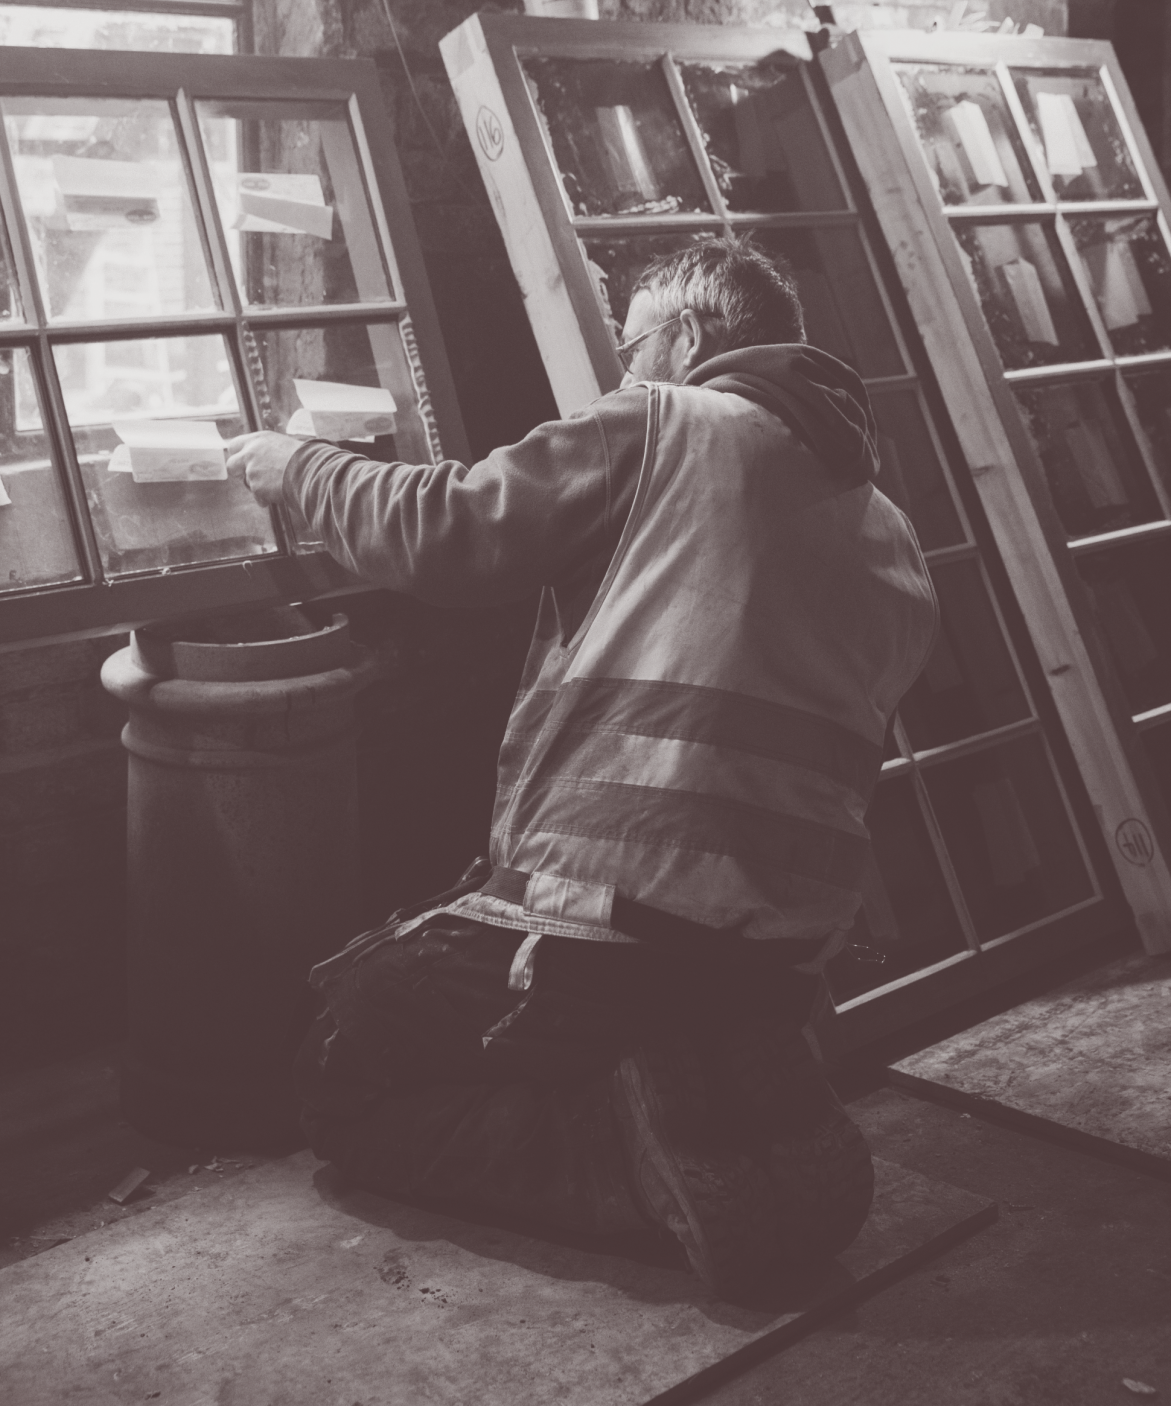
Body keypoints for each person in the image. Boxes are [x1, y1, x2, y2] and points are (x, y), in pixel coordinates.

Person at [225, 238, 938, 1298]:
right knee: (511, 980)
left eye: (633, 342)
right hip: (779, 950)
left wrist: (294, 466)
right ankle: (721, 1093)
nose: (621, 368)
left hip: (610, 914)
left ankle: (620, 1152)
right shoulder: (888, 529)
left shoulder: (667, 421)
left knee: (343, 1061)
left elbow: (452, 527)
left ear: (687, 340)